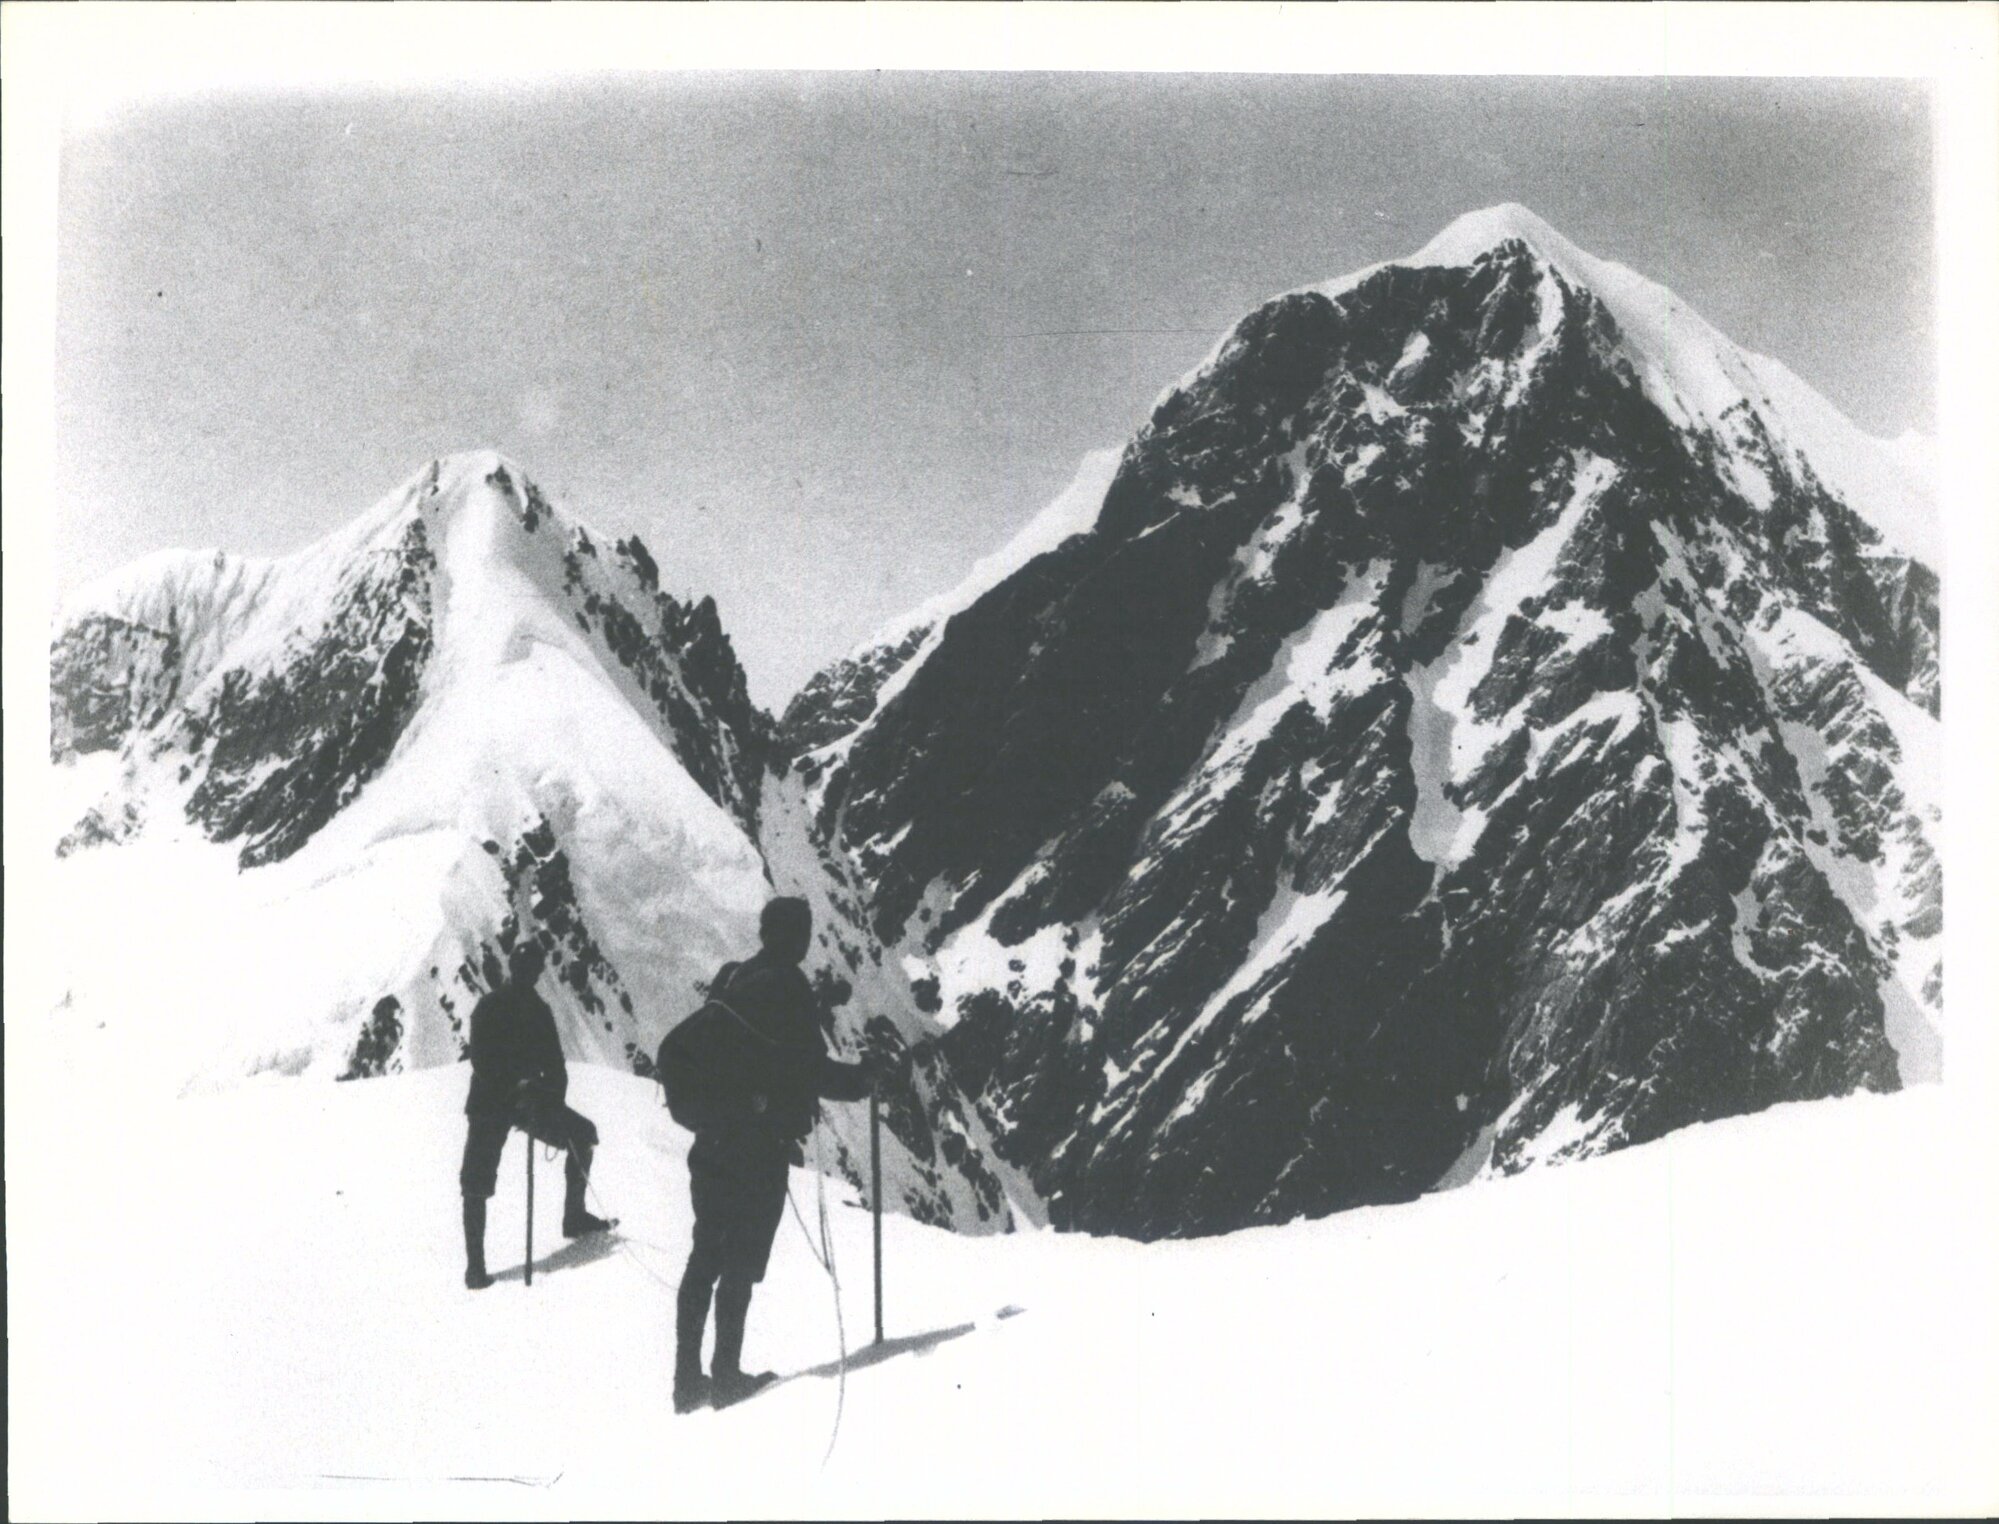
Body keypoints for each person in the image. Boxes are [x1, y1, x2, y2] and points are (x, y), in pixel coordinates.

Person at [673, 896, 874, 1412]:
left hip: (712, 1138)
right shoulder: (789, 990)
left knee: (705, 1256)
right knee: (739, 1264)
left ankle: (687, 1380)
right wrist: (865, 1080)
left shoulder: (732, 976)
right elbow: (810, 1070)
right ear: (797, 937)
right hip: (757, 1148)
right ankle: (726, 1378)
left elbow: (755, 1047)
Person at [459, 938, 612, 1290]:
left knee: (582, 1135)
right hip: (492, 1103)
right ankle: (475, 1267)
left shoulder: (535, 1011)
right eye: (526, 968)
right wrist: (518, 1088)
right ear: (517, 968)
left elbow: (556, 1066)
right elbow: (482, 1061)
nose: (529, 974)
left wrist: (547, 1098)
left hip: (526, 1101)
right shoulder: (491, 1006)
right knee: (475, 1182)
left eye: (533, 969)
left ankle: (574, 1218)